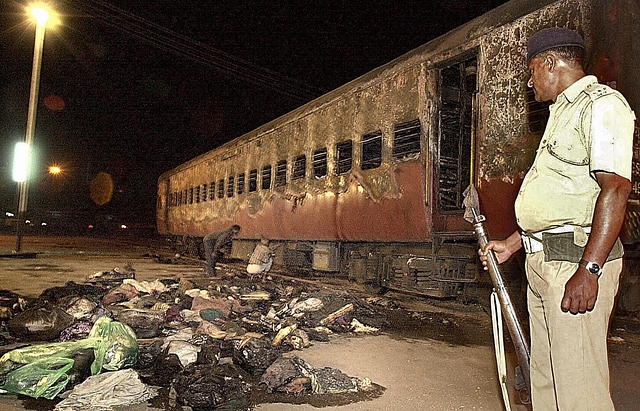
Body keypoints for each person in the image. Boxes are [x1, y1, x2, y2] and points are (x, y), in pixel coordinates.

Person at [479, 27, 635, 410]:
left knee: (578, 391)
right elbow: (561, 199)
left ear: (551, 63)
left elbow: (615, 189)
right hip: (545, 264)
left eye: (532, 71)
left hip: (573, 263)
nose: (530, 83)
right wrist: (515, 243)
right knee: (547, 387)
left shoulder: (601, 105)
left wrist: (590, 270)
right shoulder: (560, 113)